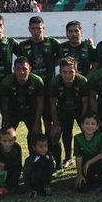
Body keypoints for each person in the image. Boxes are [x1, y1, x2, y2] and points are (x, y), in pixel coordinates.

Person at [18, 16, 60, 156]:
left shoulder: (52, 43)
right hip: (30, 93)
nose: (36, 31)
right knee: (34, 126)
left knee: (49, 124)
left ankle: (51, 155)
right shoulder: (23, 46)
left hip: (48, 91)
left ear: (43, 29)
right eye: (33, 28)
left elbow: (62, 57)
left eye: (39, 28)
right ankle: (35, 154)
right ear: (29, 29)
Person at [49, 57, 89, 172]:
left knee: (88, 133)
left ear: (76, 71)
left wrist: (84, 121)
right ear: (60, 72)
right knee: (56, 135)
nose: (68, 75)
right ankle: (62, 160)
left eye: (71, 72)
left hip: (79, 109)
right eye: (64, 72)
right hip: (62, 110)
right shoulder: (55, 82)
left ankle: (88, 158)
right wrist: (55, 124)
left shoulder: (82, 81)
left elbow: (85, 102)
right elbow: (52, 104)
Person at [0, 56, 45, 145]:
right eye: (18, 69)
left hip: (31, 111)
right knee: (6, 135)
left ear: (30, 69)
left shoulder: (37, 81)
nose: (22, 72)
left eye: (24, 69)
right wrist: (7, 123)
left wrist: (37, 122)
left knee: (36, 136)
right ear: (14, 69)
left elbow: (40, 103)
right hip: (12, 111)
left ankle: (34, 157)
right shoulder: (6, 82)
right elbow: (4, 104)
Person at [74, 111, 102, 194]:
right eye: (87, 123)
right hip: (85, 167)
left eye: (93, 124)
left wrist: (89, 162)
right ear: (82, 125)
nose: (90, 126)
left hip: (96, 163)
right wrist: (79, 175)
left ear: (97, 126)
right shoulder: (77, 138)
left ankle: (99, 183)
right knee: (82, 189)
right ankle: (89, 180)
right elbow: (78, 157)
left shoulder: (99, 136)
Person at [0, 127, 23, 199]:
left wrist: (10, 185)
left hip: (12, 168)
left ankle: (8, 186)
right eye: (4, 141)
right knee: (0, 165)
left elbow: (18, 167)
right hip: (1, 168)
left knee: (15, 171)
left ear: (14, 140)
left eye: (10, 141)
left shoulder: (17, 149)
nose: (7, 144)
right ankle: (0, 185)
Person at [23, 134, 55, 198]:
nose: (43, 149)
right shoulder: (31, 159)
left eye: (45, 146)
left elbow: (50, 171)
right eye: (40, 146)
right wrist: (27, 189)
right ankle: (33, 191)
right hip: (33, 180)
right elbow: (26, 174)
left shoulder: (49, 157)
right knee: (34, 174)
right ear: (34, 147)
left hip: (44, 179)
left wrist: (47, 184)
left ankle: (45, 189)